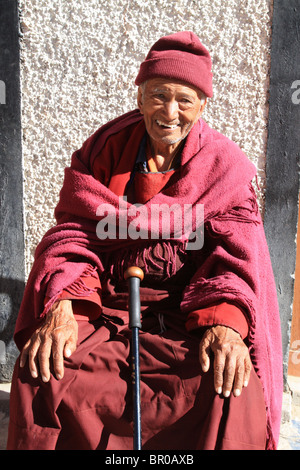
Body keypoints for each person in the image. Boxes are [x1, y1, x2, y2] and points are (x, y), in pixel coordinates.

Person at [7, 31, 282, 450]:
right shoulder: (105, 151)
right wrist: (62, 304)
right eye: (158, 96)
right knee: (42, 371)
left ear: (202, 106)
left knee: (230, 388)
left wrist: (225, 324)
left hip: (188, 315)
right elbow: (71, 237)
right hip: (107, 307)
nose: (170, 112)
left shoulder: (224, 167)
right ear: (140, 96)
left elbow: (236, 258)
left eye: (184, 100)